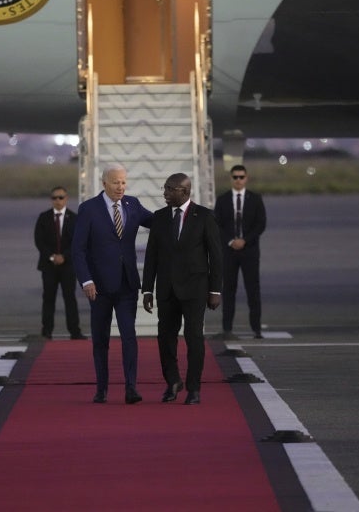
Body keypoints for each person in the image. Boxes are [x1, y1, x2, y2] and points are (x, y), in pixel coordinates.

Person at [72, 163, 152, 405]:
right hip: (99, 287)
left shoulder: (133, 204)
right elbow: (78, 249)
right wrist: (86, 280)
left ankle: (131, 388)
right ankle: (102, 389)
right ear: (104, 183)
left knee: (129, 336)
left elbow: (156, 221)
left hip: (127, 284)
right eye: (116, 182)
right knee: (101, 339)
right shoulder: (89, 209)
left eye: (124, 182)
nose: (121, 187)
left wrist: (182, 212)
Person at [141, 173, 222, 405]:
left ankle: (194, 388)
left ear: (184, 191)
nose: (164, 193)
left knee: (194, 337)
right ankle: (173, 381)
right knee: (165, 338)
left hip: (196, 288)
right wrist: (147, 289)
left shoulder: (204, 216)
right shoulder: (159, 217)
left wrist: (215, 290)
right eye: (164, 188)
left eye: (169, 189)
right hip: (167, 289)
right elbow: (151, 256)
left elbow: (216, 256)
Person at [214, 164, 267, 338]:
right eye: (235, 177)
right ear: (231, 178)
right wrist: (231, 241)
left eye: (241, 177)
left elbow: (261, 224)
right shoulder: (222, 200)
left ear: (246, 178)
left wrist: (245, 240)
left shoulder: (255, 199)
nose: (238, 180)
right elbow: (217, 224)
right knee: (228, 290)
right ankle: (227, 328)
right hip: (229, 252)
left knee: (253, 290)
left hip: (249, 251)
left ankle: (256, 328)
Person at [34, 186, 85, 340]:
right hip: (48, 266)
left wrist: (64, 256)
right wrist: (52, 256)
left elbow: (77, 241)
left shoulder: (74, 218)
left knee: (70, 298)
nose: (58, 201)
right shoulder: (44, 217)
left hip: (68, 266)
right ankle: (47, 330)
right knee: (48, 298)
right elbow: (39, 240)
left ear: (66, 198)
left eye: (61, 197)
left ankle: (74, 331)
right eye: (55, 198)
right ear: (51, 200)